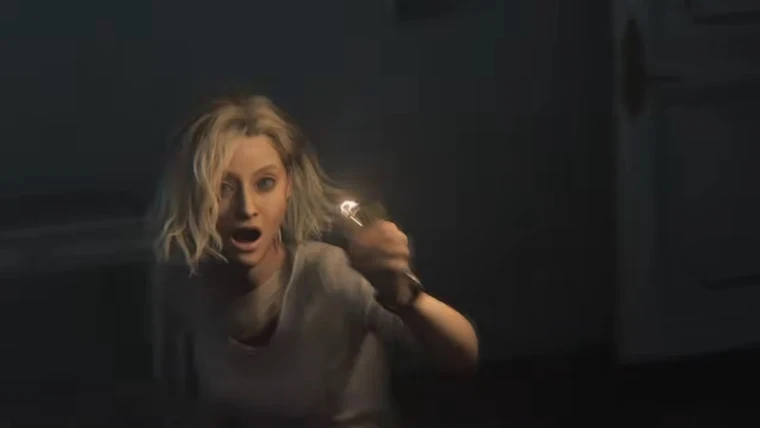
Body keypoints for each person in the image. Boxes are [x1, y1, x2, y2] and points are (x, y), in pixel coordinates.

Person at [148, 95, 479, 427]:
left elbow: (463, 355)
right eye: (223, 187)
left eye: (265, 183)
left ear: (288, 187)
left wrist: (404, 295)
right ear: (194, 193)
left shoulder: (331, 273)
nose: (247, 208)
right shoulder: (183, 287)